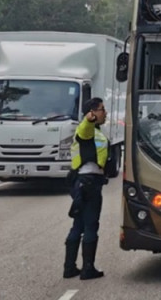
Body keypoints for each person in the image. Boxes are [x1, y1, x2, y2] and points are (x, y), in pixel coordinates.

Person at [63, 97, 109, 280]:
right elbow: (84, 131)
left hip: (81, 182)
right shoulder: (87, 129)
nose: (105, 113)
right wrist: (88, 120)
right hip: (89, 183)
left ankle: (69, 268)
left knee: (78, 224)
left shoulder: (97, 131)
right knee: (90, 224)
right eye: (102, 109)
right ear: (92, 112)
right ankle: (87, 269)